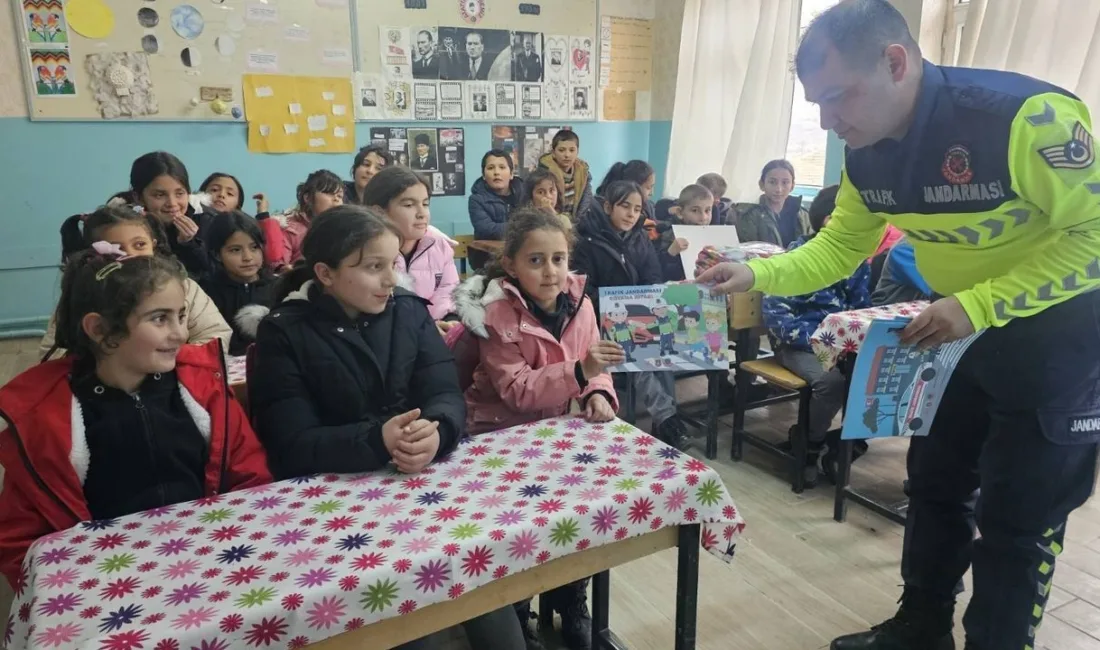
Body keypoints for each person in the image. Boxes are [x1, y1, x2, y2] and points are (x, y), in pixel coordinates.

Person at [697, 1, 1100, 648]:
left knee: (1018, 520)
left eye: (837, 97)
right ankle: (921, 627)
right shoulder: (865, 154)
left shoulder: (1024, 118)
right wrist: (754, 274)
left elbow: (1094, 235)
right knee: (935, 485)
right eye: (816, 105)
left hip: (1054, 336)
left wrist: (980, 305)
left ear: (895, 62)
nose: (828, 122)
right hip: (954, 330)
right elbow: (837, 249)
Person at [248, 206, 525, 650]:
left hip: (421, 487)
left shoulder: (409, 312)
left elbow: (444, 392)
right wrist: (377, 440)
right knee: (413, 628)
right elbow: (290, 443)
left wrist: (437, 431)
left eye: (392, 264)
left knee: (489, 598)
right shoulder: (283, 333)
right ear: (325, 274)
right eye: (374, 267)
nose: (391, 279)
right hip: (338, 512)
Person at [0, 243, 271, 585]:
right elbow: (20, 539)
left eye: (181, 316)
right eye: (159, 318)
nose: (181, 333)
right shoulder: (45, 418)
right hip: (105, 582)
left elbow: (251, 477)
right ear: (99, 329)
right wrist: (73, 587)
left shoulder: (203, 389)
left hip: (212, 563)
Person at [452, 208, 621, 650]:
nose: (550, 272)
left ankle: (571, 599)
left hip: (558, 433)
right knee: (520, 534)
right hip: (498, 438)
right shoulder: (495, 316)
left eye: (559, 259)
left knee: (580, 518)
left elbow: (595, 363)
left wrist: (597, 392)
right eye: (536, 260)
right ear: (511, 265)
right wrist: (582, 372)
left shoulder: (581, 303)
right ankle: (517, 611)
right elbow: (518, 391)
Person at [761, 185, 871, 487]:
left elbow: (861, 308)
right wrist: (822, 342)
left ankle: (846, 445)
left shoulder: (857, 262)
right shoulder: (796, 256)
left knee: (877, 378)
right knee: (831, 382)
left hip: (843, 345)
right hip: (798, 345)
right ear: (828, 221)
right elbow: (777, 314)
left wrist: (849, 343)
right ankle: (809, 446)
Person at [572, 181, 688, 449]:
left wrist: (642, 305)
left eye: (637, 209)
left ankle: (666, 421)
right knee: (636, 348)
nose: (631, 214)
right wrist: (619, 306)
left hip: (638, 317)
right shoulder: (586, 241)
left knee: (661, 347)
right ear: (608, 206)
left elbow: (653, 277)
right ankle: (668, 420)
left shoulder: (640, 238)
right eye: (625, 206)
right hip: (600, 319)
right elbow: (583, 291)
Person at [40, 206, 231, 361]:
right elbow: (53, 355)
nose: (131, 255)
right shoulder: (84, 295)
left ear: (153, 246)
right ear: (94, 253)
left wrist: (167, 359)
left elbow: (215, 335)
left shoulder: (184, 287)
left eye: (140, 245)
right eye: (116, 248)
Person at [363, 166, 459, 324]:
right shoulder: (365, 253)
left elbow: (448, 291)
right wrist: (423, 327)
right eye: (409, 205)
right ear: (379, 212)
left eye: (425, 204)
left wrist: (447, 320)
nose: (422, 213)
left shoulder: (440, 245)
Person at [123, 151, 214, 279]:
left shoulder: (207, 221)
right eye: (160, 195)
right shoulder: (126, 226)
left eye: (180, 193)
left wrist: (189, 244)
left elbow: (214, 275)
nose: (172, 203)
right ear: (139, 197)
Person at [199, 211, 276, 356]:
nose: (248, 257)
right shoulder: (206, 292)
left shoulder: (278, 288)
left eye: (254, 247)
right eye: (235, 250)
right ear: (217, 254)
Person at [198, 172, 283, 265]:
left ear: (238, 205)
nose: (221, 195)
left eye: (230, 193)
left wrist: (263, 214)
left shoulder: (243, 227)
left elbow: (273, 257)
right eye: (214, 190)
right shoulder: (191, 218)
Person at [269, 169, 344, 271]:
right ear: (307, 198)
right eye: (328, 192)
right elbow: (279, 269)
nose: (336, 199)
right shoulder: (290, 229)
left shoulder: (342, 231)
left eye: (340, 196)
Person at [469, 149, 525, 269]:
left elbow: (534, 224)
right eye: (490, 168)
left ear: (511, 174)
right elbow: (487, 230)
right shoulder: (476, 199)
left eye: (502, 167)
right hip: (487, 261)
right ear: (484, 175)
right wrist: (521, 227)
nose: (496, 172)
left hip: (521, 259)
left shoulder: (524, 195)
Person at [734, 160, 811, 246]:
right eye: (772, 182)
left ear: (792, 186)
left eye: (785, 182)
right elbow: (748, 249)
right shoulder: (748, 215)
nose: (779, 189)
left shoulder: (803, 215)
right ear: (762, 184)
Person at [649, 184, 715, 281]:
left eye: (707, 210)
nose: (703, 217)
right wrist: (670, 253)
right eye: (695, 210)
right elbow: (655, 273)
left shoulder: (713, 236)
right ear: (680, 213)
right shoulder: (667, 234)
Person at [538, 130, 594, 222]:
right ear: (553, 152)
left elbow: (585, 204)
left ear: (577, 151)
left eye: (572, 150)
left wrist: (575, 225)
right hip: (549, 222)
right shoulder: (542, 174)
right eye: (561, 150)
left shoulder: (584, 174)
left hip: (576, 224)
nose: (567, 155)